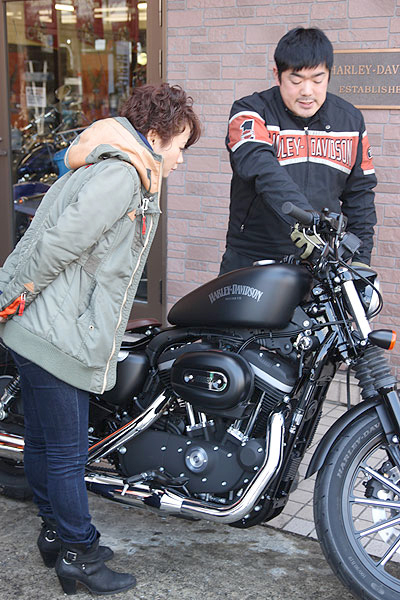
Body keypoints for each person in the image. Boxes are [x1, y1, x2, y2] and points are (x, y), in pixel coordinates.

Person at [0, 83, 201, 596]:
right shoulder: (121, 175)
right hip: (55, 334)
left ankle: (54, 535)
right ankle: (79, 554)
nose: (180, 159)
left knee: (44, 444)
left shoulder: (108, 165)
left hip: (39, 330)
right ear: (155, 135)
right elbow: (58, 244)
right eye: (179, 146)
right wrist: (16, 296)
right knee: (67, 455)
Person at [220, 27, 377, 274]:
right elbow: (262, 169)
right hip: (253, 257)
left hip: (322, 263)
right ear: (277, 75)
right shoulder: (249, 112)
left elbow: (360, 195)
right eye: (296, 80)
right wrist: (307, 223)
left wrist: (359, 260)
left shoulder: (350, 120)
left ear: (329, 75)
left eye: (317, 80)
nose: (307, 91)